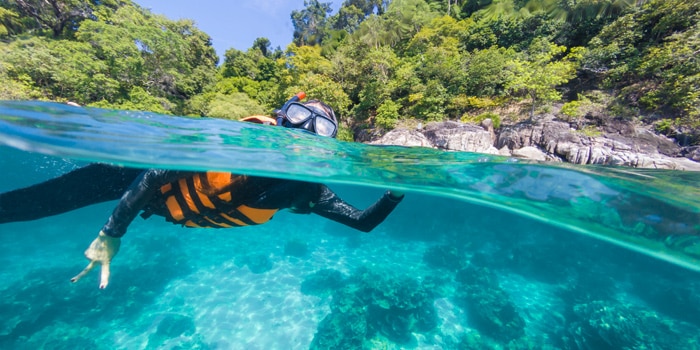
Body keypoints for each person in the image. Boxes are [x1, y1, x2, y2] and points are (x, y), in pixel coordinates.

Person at [0, 97, 404, 289]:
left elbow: (363, 223)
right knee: (35, 204)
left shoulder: (307, 190)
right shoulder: (238, 144)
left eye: (318, 130)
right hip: (135, 177)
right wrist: (111, 232)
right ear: (279, 119)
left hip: (164, 206)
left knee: (34, 205)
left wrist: (395, 192)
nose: (300, 134)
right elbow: (157, 172)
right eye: (298, 119)